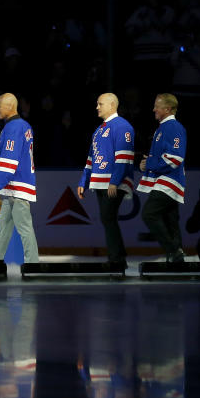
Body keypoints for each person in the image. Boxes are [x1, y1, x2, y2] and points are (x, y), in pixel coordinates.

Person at [78, 93, 136, 269]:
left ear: (112, 105)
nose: (97, 107)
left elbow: (124, 157)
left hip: (112, 182)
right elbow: (91, 159)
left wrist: (115, 181)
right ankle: (118, 257)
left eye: (100, 104)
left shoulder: (123, 127)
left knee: (108, 217)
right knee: (107, 219)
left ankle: (117, 258)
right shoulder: (99, 130)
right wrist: (83, 182)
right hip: (100, 182)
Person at [0, 93, 39, 264]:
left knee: (24, 229)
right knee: (4, 230)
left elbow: (8, 162)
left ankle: (32, 265)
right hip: (14, 187)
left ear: (9, 106)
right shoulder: (22, 125)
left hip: (17, 187)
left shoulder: (14, 127)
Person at [138, 93, 187, 262]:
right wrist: (146, 164)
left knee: (149, 214)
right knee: (169, 219)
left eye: (157, 106)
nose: (153, 109)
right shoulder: (164, 128)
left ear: (167, 109)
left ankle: (174, 251)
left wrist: (149, 163)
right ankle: (176, 256)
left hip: (168, 182)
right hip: (165, 180)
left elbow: (175, 158)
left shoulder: (173, 127)